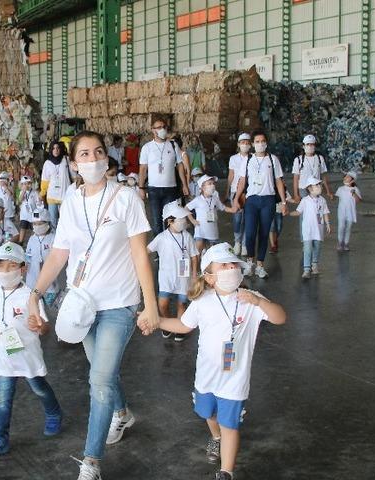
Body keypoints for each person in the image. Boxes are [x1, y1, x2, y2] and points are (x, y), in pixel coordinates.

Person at [26, 131, 159, 480]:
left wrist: (150, 305)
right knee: (104, 372)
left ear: (107, 158)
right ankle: (123, 413)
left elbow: (139, 254)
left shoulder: (126, 197)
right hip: (82, 304)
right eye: (84, 154)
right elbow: (60, 252)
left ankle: (91, 462)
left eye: (98, 152)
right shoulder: (71, 198)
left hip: (120, 304)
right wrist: (35, 292)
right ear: (73, 164)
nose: (93, 159)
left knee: (99, 379)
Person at [156, 242, 286, 480]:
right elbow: (184, 325)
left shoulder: (251, 299)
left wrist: (260, 302)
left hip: (235, 380)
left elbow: (279, 318)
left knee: (230, 425)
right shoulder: (202, 301)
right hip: (206, 376)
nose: (231, 267)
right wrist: (158, 322)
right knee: (208, 412)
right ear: (210, 277)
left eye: (233, 263)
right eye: (223, 265)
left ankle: (226, 471)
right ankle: (216, 437)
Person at [0, 241, 63, 459]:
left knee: (39, 387)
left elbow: (45, 326)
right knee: (3, 398)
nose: (5, 271)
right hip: (5, 354)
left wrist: (40, 326)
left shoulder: (30, 295)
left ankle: (54, 413)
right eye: (0, 266)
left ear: (23, 268)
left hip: (27, 353)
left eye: (11, 266)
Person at [231, 131, 290, 279]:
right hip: (252, 200)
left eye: (262, 141)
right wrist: (236, 198)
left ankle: (260, 265)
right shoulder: (248, 160)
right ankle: (250, 261)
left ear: (266, 143)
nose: (260, 144)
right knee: (250, 233)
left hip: (268, 200)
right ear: (253, 144)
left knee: (264, 233)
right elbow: (242, 181)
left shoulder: (273, 159)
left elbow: (279, 182)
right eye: (257, 141)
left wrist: (283, 202)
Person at [148, 203, 199, 342]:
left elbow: (194, 255)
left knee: (181, 304)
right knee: (162, 304)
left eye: (184, 219)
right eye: (181, 219)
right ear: (170, 221)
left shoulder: (187, 236)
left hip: (184, 277)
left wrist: (194, 275)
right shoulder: (161, 238)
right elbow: (146, 250)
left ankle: (180, 326)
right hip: (166, 277)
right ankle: (168, 324)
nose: (184, 221)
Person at [138, 118, 189, 235]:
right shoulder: (147, 147)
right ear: (153, 130)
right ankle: (159, 251)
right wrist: (141, 188)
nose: (163, 129)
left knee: (169, 220)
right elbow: (143, 169)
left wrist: (184, 185)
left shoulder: (173, 145)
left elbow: (180, 165)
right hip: (154, 189)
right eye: (159, 127)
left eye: (164, 127)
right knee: (156, 222)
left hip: (171, 188)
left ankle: (168, 249)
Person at [289, 178, 331, 279]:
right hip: (307, 230)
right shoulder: (305, 200)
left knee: (317, 247)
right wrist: (289, 213)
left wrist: (328, 224)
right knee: (307, 249)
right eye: (316, 185)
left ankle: (315, 264)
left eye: (319, 185)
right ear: (309, 188)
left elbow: (325, 212)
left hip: (318, 229)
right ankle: (306, 269)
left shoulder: (322, 200)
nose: (319, 187)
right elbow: (298, 212)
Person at [186, 175, 238, 255]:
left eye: (213, 183)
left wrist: (233, 210)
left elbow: (223, 208)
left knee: (211, 253)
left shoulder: (215, 199)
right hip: (200, 230)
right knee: (197, 251)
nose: (212, 185)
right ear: (202, 187)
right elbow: (186, 208)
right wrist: (192, 220)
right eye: (209, 183)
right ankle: (195, 266)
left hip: (212, 231)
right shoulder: (198, 200)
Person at [24, 209, 58, 306]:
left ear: (47, 223)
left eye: (40, 223)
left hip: (49, 281)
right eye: (34, 224)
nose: (37, 226)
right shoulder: (32, 239)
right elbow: (28, 255)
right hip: (32, 279)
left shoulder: (53, 238)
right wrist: (25, 264)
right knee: (36, 306)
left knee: (50, 306)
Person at [226, 134, 252, 256]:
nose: (245, 145)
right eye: (243, 142)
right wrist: (227, 190)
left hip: (249, 191)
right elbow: (231, 175)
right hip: (235, 191)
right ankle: (237, 241)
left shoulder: (253, 158)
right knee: (237, 218)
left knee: (247, 218)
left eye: (247, 142)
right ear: (238, 144)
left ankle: (245, 243)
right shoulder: (233, 159)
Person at [292, 135, 333, 202]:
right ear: (303, 146)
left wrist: (328, 191)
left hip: (316, 188)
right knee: (305, 209)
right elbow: (296, 178)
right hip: (303, 189)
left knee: (316, 208)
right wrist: (296, 195)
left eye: (312, 144)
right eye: (308, 144)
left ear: (315, 146)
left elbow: (323, 176)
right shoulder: (298, 160)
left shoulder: (320, 158)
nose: (310, 146)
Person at [40, 141, 72, 229]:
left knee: (65, 219)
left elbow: (73, 174)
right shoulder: (47, 163)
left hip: (65, 195)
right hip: (52, 195)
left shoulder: (66, 159)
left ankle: (64, 237)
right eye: (53, 148)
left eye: (58, 148)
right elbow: (45, 180)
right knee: (53, 220)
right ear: (50, 150)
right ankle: (54, 238)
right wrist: (42, 193)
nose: (56, 150)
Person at [335, 171, 362, 251]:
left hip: (350, 212)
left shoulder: (355, 189)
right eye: (345, 176)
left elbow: (358, 201)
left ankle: (346, 243)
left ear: (352, 180)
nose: (345, 178)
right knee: (341, 226)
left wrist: (354, 194)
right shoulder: (340, 189)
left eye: (348, 177)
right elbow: (337, 198)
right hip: (341, 211)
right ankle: (340, 242)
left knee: (348, 227)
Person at [17, 175, 41, 245]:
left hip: (33, 213)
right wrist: (24, 191)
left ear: (31, 184)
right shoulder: (22, 192)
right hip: (24, 214)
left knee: (34, 228)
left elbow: (38, 203)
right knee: (23, 228)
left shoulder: (35, 192)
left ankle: (34, 240)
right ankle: (20, 241)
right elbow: (19, 201)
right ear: (21, 185)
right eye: (24, 184)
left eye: (28, 183)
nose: (27, 185)